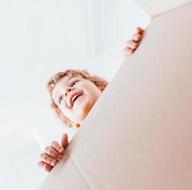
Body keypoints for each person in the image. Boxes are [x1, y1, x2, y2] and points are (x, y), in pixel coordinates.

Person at [39, 27, 145, 172]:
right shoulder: (78, 153)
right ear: (70, 121)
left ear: (100, 86)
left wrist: (139, 54)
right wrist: (60, 166)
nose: (68, 91)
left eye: (73, 83)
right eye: (61, 98)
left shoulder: (128, 90)